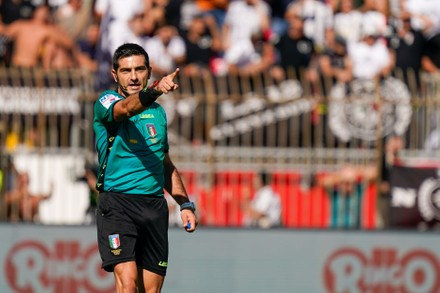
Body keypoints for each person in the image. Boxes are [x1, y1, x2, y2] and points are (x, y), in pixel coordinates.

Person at [93, 43, 198, 292]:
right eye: (126, 70)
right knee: (127, 285)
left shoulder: (158, 114)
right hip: (118, 204)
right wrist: (155, 90)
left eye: (139, 69)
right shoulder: (106, 101)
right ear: (114, 74)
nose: (133, 76)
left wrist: (184, 204)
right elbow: (126, 108)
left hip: (153, 206)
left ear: (149, 71)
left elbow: (164, 164)